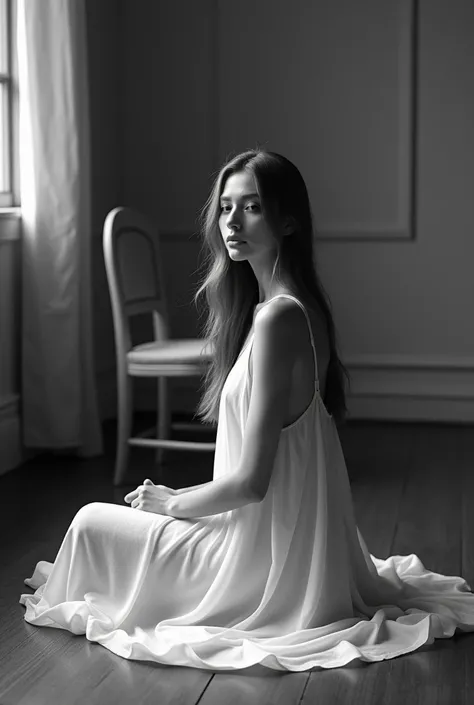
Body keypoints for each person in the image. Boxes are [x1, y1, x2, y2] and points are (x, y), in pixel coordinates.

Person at [20, 149, 474, 672]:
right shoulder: (294, 307)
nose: (232, 221)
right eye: (226, 207)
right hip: (261, 541)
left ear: (287, 220)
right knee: (96, 537)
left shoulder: (279, 318)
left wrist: (173, 500)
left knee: (88, 521)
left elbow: (251, 484)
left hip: (246, 557)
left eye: (252, 207)